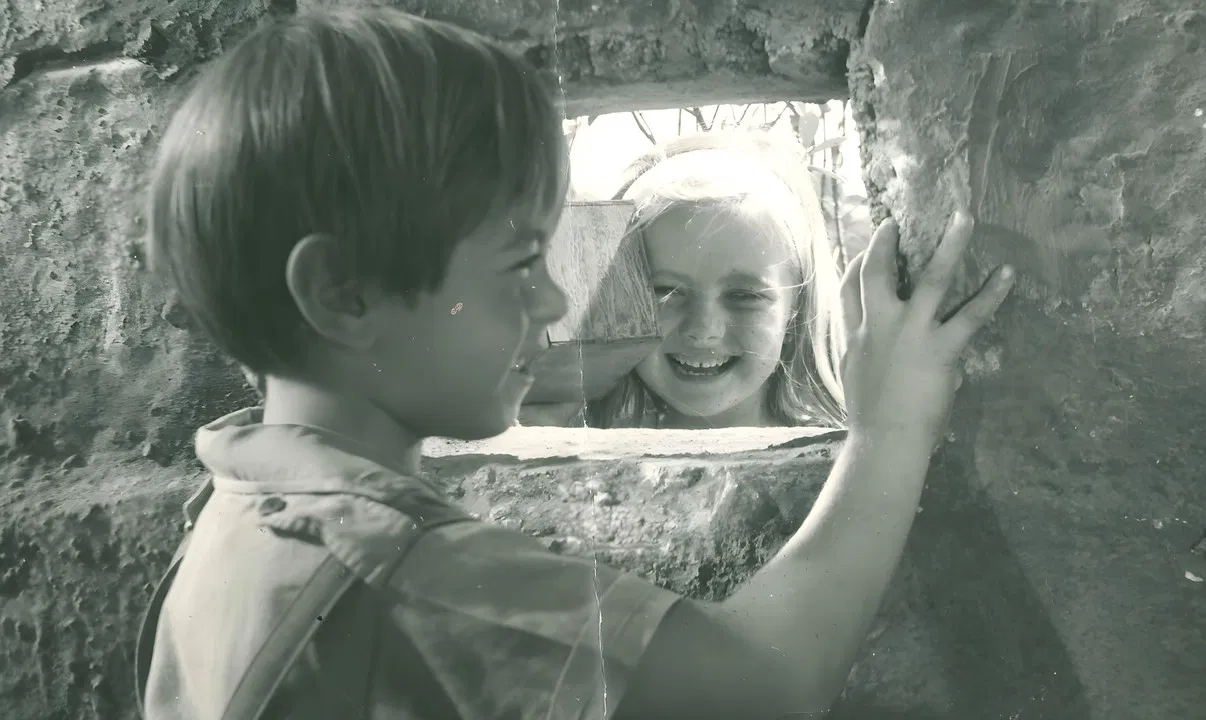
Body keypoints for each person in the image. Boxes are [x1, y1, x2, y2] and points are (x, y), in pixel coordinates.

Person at [137, 7, 1017, 720]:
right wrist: (892, 427)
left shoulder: (237, 519)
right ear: (343, 295)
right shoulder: (404, 574)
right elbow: (766, 688)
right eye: (525, 265)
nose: (559, 305)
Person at [588, 131, 851, 429]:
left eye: (744, 296)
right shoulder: (585, 445)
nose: (703, 330)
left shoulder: (836, 456)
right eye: (666, 292)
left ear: (796, 314)